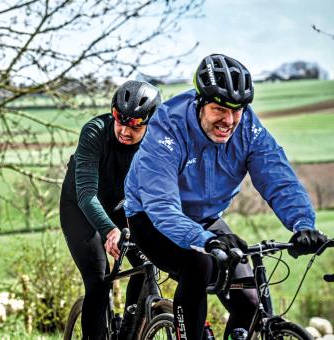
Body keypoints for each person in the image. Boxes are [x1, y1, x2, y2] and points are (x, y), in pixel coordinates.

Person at [123, 54, 329, 340]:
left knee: (249, 302)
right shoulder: (167, 129)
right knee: (199, 265)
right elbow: (162, 206)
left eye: (237, 110)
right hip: (150, 217)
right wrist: (206, 241)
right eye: (219, 108)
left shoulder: (248, 129)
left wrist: (302, 224)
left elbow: (278, 178)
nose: (229, 120)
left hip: (205, 220)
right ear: (199, 102)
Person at [60, 80, 162, 339]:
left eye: (136, 126)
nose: (126, 131)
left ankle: (130, 329)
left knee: (148, 263)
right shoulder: (95, 131)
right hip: (81, 208)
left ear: (148, 124)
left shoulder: (157, 144)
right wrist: (109, 231)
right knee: (99, 281)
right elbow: (86, 195)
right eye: (121, 121)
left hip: (122, 207)